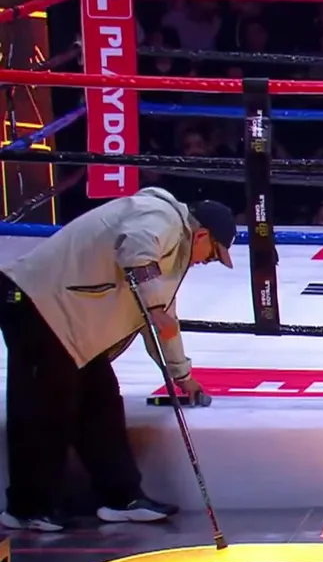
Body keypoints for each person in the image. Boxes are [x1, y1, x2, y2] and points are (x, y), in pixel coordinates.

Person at [0, 187, 235, 531]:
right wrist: (154, 306)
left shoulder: (170, 258)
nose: (204, 262)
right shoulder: (161, 216)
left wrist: (181, 375)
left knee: (102, 406)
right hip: (38, 305)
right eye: (212, 255)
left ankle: (122, 496)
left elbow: (161, 319)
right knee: (44, 409)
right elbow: (137, 249)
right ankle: (27, 508)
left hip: (72, 324)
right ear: (201, 235)